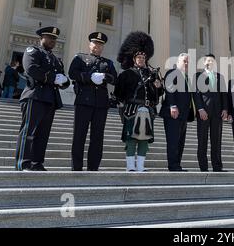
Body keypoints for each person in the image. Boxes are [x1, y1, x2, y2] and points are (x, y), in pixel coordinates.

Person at [15, 27, 70, 171]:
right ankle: (23, 163)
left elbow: (64, 80)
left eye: (54, 39)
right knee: (28, 131)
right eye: (49, 37)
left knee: (43, 134)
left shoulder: (56, 60)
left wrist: (64, 81)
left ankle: (37, 163)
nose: (52, 41)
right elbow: (31, 69)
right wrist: (53, 78)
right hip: (35, 96)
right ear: (41, 38)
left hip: (50, 99)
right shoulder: (33, 51)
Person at [68, 32, 118, 171]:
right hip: (83, 101)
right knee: (79, 135)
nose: (97, 46)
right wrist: (89, 77)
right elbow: (72, 73)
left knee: (97, 137)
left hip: (101, 104)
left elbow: (115, 78)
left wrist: (105, 76)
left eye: (100, 44)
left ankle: (93, 167)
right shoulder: (80, 58)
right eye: (95, 43)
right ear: (90, 44)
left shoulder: (108, 63)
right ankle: (76, 167)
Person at [115, 31, 163, 172]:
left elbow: (158, 94)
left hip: (148, 110)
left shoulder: (152, 74)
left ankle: (140, 166)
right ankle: (130, 166)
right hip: (132, 109)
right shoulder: (126, 74)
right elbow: (119, 93)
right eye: (139, 57)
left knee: (144, 140)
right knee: (131, 139)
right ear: (134, 58)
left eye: (143, 57)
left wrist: (159, 87)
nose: (141, 59)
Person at [160, 53, 196, 171]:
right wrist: (173, 105)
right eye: (184, 61)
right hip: (173, 113)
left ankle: (177, 164)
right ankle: (173, 165)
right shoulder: (172, 73)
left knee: (180, 142)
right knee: (173, 141)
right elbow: (169, 90)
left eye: (187, 62)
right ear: (178, 62)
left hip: (183, 115)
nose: (186, 64)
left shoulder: (186, 77)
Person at [194, 54, 228, 172]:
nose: (210, 62)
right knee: (202, 139)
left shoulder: (220, 77)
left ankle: (217, 166)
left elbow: (224, 95)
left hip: (217, 113)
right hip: (204, 112)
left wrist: (225, 109)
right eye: (208, 60)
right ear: (204, 62)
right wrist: (200, 109)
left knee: (216, 140)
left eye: (212, 60)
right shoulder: (198, 76)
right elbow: (196, 94)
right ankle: (203, 166)